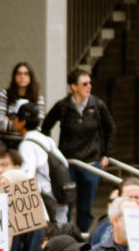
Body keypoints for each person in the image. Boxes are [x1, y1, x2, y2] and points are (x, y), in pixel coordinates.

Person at [43, 69, 116, 230]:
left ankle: (82, 239)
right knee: (66, 205)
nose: (89, 86)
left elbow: (110, 128)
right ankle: (65, 236)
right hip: (68, 162)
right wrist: (52, 152)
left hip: (91, 162)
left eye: (90, 83)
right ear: (74, 86)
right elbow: (45, 127)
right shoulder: (63, 106)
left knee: (85, 208)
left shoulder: (97, 105)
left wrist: (106, 155)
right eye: (84, 84)